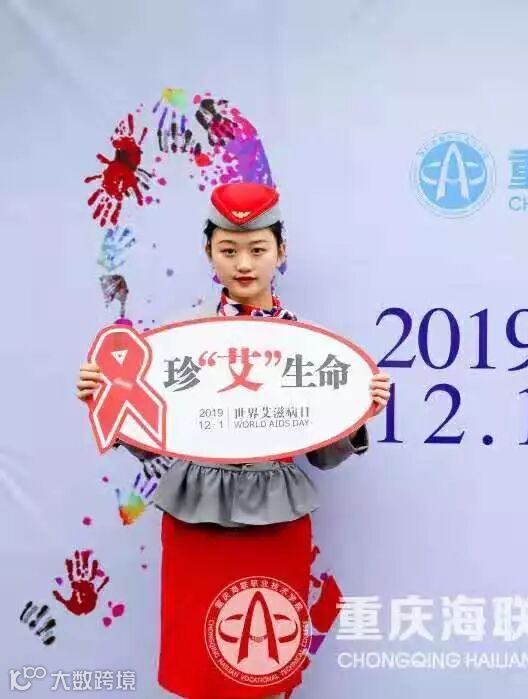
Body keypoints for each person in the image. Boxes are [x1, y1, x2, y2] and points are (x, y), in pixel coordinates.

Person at [75, 182, 391, 698]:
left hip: (277, 518)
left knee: (266, 659)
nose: (243, 263)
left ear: (281, 252)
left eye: (258, 249)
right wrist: (107, 398)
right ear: (209, 253)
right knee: (198, 667)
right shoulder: (179, 342)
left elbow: (323, 455)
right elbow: (155, 442)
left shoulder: (310, 347)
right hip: (195, 516)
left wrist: (356, 415)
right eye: (228, 250)